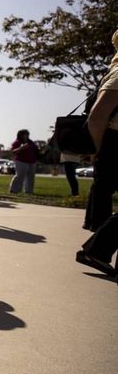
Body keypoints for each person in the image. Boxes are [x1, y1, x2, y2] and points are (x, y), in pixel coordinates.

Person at [78, 28, 118, 257]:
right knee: (103, 192)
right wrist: (96, 149)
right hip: (114, 143)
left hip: (111, 144)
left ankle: (98, 250)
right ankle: (97, 250)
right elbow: (97, 116)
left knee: (103, 192)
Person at [9, 129, 38, 194]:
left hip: (32, 162)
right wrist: (21, 148)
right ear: (20, 135)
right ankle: (14, 190)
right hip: (21, 161)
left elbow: (35, 150)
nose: (26, 136)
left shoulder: (31, 142)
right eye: (24, 134)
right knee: (19, 176)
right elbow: (13, 151)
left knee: (30, 177)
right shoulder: (17, 142)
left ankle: (29, 191)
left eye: (27, 134)